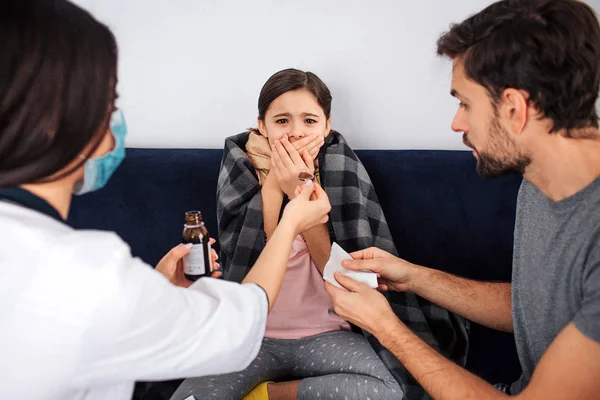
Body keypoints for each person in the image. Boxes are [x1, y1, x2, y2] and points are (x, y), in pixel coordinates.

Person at [0, 2, 331, 400]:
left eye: (309, 121)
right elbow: (234, 327)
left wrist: (155, 291)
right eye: (110, 102)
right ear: (62, 118)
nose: (115, 119)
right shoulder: (85, 276)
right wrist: (293, 218)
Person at [326, 0, 600, 399]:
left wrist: (387, 329)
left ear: (514, 109)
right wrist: (413, 276)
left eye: (464, 103)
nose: (457, 123)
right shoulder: (539, 180)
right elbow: (534, 309)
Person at [172, 68, 466, 400]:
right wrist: (274, 185)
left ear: (327, 126)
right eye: (282, 121)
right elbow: (249, 266)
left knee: (397, 389)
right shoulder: (239, 169)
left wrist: (305, 194)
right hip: (254, 337)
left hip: (324, 334)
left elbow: (343, 274)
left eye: (309, 121)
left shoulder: (342, 169)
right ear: (261, 125)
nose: (296, 132)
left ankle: (269, 395)